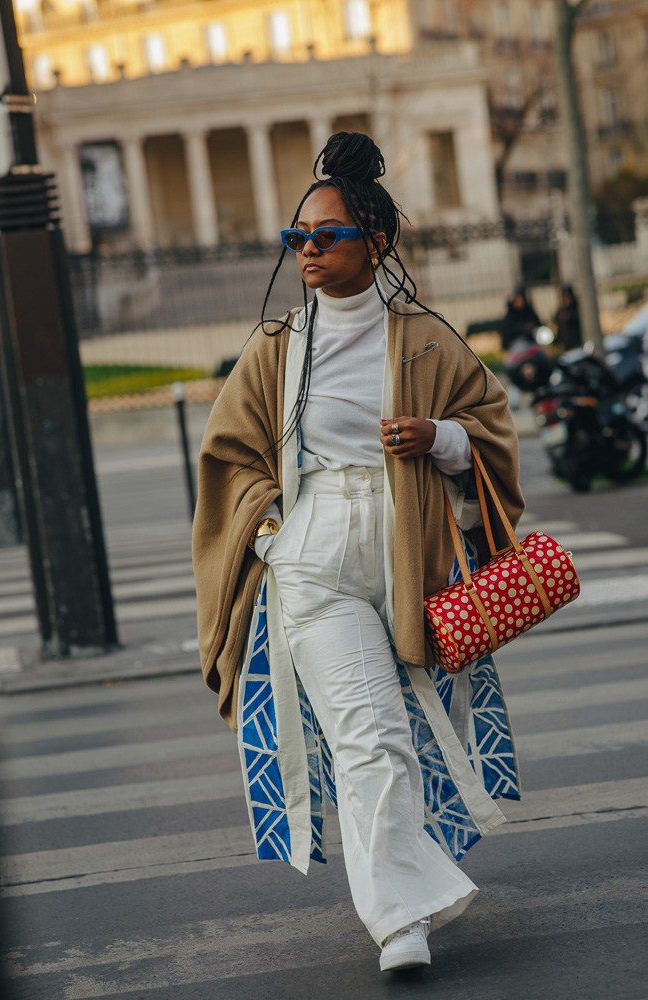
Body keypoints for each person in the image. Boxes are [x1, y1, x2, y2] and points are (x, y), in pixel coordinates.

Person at [193, 132, 524, 974]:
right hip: (313, 558)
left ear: (376, 243)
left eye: (326, 235)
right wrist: (269, 531)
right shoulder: (275, 347)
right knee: (369, 737)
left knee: (409, 733)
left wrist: (440, 435)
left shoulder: (425, 339)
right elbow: (228, 455)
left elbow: (490, 431)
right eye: (296, 237)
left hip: (406, 548)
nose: (307, 248)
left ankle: (411, 886)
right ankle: (399, 925)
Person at [499, 286, 541, 350]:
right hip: (517, 344)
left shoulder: (529, 312)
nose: (520, 303)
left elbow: (538, 325)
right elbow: (508, 332)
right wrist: (523, 329)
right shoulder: (510, 316)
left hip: (533, 341)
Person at [554, 284, 582, 351]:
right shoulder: (562, 309)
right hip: (565, 342)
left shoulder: (575, 307)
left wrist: (569, 316)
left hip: (576, 340)